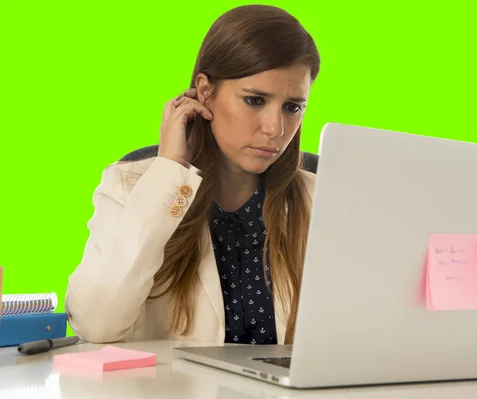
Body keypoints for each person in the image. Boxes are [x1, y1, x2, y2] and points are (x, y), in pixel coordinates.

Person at [65, 4, 321, 346]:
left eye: (292, 107)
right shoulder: (129, 187)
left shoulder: (324, 198)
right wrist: (169, 175)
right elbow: (96, 324)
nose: (276, 128)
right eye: (255, 100)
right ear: (205, 91)